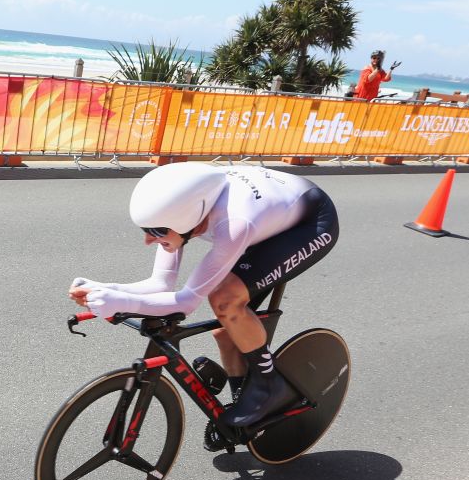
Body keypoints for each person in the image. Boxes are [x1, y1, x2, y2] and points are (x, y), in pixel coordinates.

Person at [68, 162, 339, 442]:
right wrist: (105, 289)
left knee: (225, 301)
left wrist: (118, 301)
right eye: (145, 229)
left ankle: (269, 385)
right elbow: (160, 283)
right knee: (225, 330)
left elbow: (185, 302)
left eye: (157, 231)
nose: (149, 240)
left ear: (189, 220)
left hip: (310, 223)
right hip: (267, 215)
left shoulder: (233, 222)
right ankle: (244, 402)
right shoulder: (185, 214)